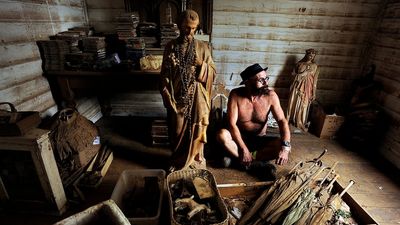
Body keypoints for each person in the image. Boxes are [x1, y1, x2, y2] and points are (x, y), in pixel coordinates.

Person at [159, 9, 216, 170]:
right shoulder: (170, 46)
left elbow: (212, 71)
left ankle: (196, 159)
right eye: (186, 27)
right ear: (179, 26)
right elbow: (164, 75)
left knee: (197, 130)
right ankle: (178, 161)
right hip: (178, 96)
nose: (190, 31)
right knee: (177, 131)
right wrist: (170, 69)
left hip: (197, 96)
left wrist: (201, 65)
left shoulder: (202, 47)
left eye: (193, 28)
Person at [216, 63, 291, 172]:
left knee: (283, 145)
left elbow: (281, 121)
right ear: (248, 82)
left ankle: (242, 159)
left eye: (266, 78)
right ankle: (253, 164)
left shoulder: (271, 96)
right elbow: (231, 124)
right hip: (239, 139)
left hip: (259, 140)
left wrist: (285, 148)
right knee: (221, 135)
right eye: (261, 80)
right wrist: (243, 148)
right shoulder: (236, 94)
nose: (266, 82)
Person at [286, 49, 319, 131]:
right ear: (306, 55)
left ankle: (299, 121)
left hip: (307, 88)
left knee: (303, 105)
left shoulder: (315, 66)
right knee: (293, 102)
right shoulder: (299, 64)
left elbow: (315, 81)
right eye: (309, 55)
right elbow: (292, 75)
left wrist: (314, 93)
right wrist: (301, 74)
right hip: (297, 87)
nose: (311, 57)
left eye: (313, 56)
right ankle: (290, 119)